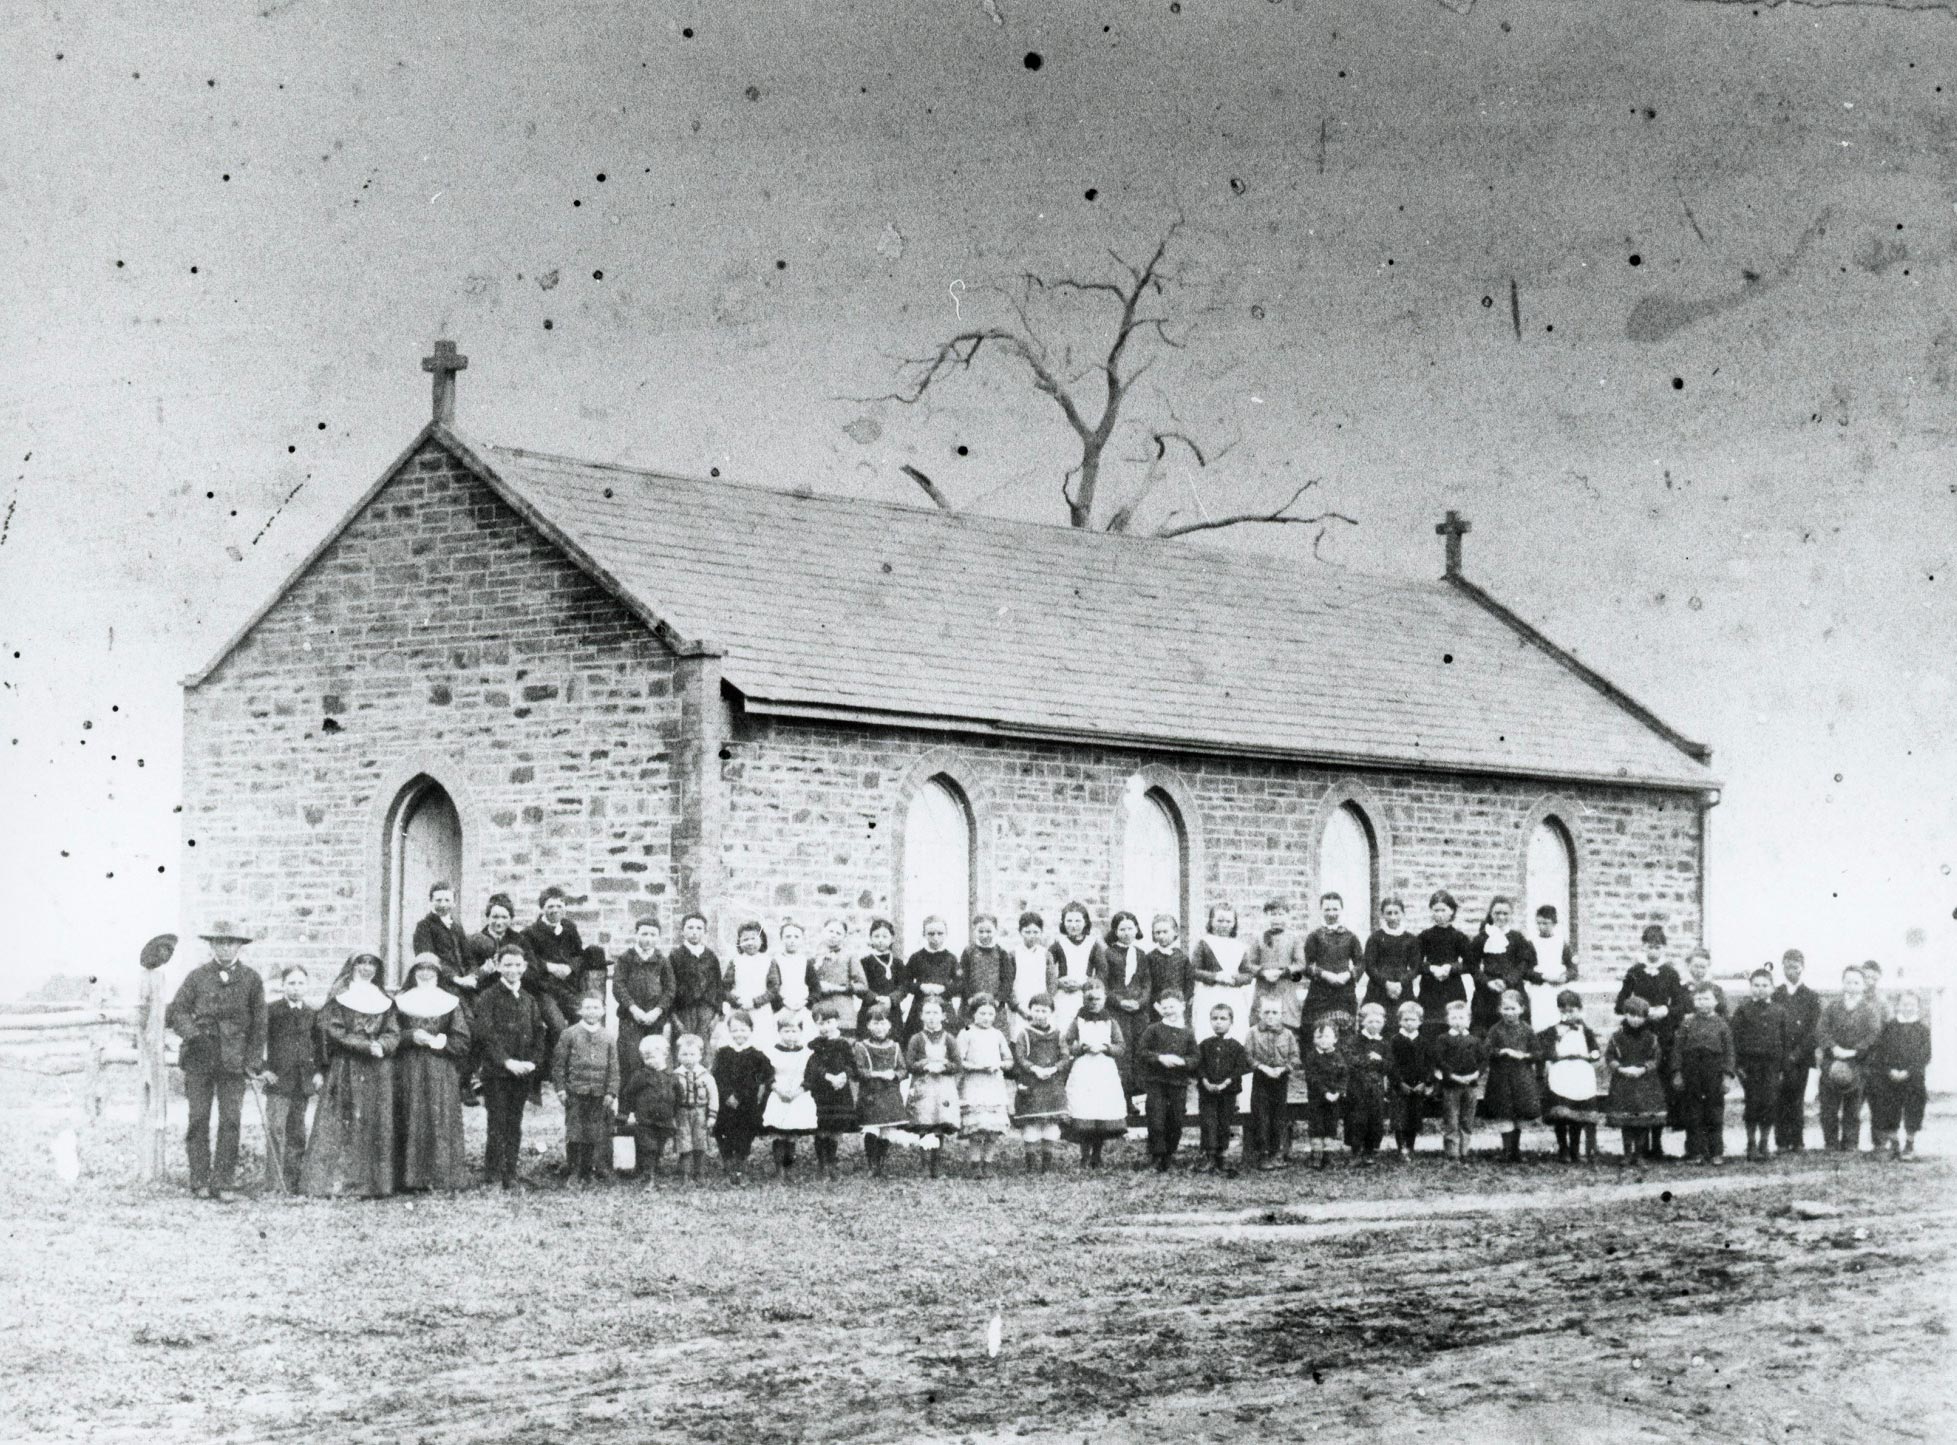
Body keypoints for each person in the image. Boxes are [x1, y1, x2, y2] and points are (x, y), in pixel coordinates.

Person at [165, 919, 267, 1201]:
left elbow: (260, 1024)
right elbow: (177, 1011)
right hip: (199, 1059)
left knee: (231, 1120)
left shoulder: (251, 979)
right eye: (219, 942)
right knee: (198, 1118)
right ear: (211, 945)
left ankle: (223, 1182)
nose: (225, 947)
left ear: (239, 946)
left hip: (234, 1062)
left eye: (230, 942)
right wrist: (193, 1035)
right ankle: (199, 1180)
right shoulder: (197, 977)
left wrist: (253, 1060)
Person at [299, 952, 400, 1199]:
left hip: (377, 1069)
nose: (366, 968)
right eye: (361, 963)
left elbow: (393, 1029)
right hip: (347, 1066)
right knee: (345, 1119)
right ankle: (341, 1182)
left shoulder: (384, 999)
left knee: (373, 1121)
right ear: (352, 966)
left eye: (372, 964)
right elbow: (332, 1030)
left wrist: (384, 1045)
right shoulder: (339, 997)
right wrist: (365, 1046)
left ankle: (374, 1184)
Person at [392, 954, 472, 1191]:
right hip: (408, 1067)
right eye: (420, 969)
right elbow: (390, 1033)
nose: (425, 974)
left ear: (438, 975)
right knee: (409, 1115)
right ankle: (407, 1178)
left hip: (440, 1068)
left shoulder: (450, 1002)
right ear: (413, 973)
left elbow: (462, 1039)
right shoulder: (400, 1001)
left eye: (431, 970)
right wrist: (410, 1036)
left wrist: (441, 1042)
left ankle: (438, 1176)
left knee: (438, 1117)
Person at [475, 946, 545, 1187]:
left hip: (523, 1072)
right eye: (508, 964)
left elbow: (538, 1033)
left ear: (524, 967)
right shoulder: (488, 997)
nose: (513, 970)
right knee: (498, 1121)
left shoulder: (529, 999)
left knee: (515, 1122)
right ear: (497, 966)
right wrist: (507, 1062)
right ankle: (492, 1173)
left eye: (517, 965)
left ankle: (510, 1172)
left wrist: (532, 1063)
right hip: (498, 1073)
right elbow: (486, 1035)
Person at [1616, 925, 1686, 1155]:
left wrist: (1666, 1010)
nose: (1653, 951)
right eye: (1649, 946)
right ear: (1643, 946)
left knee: (1659, 1088)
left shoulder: (1670, 973)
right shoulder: (1635, 972)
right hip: (1639, 1036)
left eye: (1657, 947)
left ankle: (1657, 1142)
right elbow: (1620, 1004)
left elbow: (1681, 1005)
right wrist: (1640, 1011)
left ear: (1663, 948)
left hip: (1663, 1037)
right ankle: (1640, 1142)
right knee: (1640, 1088)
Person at [259, 964, 320, 1193]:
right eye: (291, 983)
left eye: (300, 983)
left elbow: (318, 1047)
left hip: (301, 1082)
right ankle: (274, 1184)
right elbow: (258, 1042)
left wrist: (317, 1073)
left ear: (307, 985)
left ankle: (293, 1182)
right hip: (278, 1081)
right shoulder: (270, 1011)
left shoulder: (312, 1014)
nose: (296, 988)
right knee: (275, 1130)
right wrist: (263, 1069)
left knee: (297, 1132)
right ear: (283, 986)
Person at [551, 993, 619, 1185]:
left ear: (604, 1010)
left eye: (596, 1007)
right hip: (575, 1092)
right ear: (580, 1010)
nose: (592, 1012)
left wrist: (611, 1092)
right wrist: (561, 1089)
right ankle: (573, 1171)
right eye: (587, 1007)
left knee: (593, 1133)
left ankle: (587, 1172)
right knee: (575, 1131)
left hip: (598, 1094)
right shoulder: (569, 1034)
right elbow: (559, 1065)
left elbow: (614, 1068)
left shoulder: (608, 1037)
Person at [1062, 977, 1127, 1170]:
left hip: (1104, 1070)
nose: (1094, 1004)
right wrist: (1081, 1047)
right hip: (1083, 1070)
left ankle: (1097, 1155)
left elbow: (1121, 1047)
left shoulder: (1111, 1022)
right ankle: (1084, 1155)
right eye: (1090, 1000)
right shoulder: (1077, 1021)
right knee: (1085, 1112)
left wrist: (1106, 1048)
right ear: (1084, 1000)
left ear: (1105, 999)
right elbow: (1067, 1043)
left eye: (1098, 999)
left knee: (1101, 1112)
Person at [1815, 964, 1881, 1152]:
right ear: (1843, 983)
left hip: (1857, 1063)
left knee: (1852, 1109)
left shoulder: (1869, 1010)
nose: (1852, 986)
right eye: (1848, 981)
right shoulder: (1832, 1007)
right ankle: (1830, 1142)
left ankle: (1850, 1143)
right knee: (1828, 1107)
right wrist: (1833, 1048)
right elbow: (1821, 1030)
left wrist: (1854, 1052)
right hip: (1832, 1062)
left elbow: (1873, 1035)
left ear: (1863, 985)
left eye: (1856, 982)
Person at [1730, 966, 1791, 1160]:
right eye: (1756, 985)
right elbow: (1735, 1039)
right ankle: (1751, 1144)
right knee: (1752, 1103)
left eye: (1765, 985)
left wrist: (1783, 1067)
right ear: (1750, 987)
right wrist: (1738, 1066)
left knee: (1769, 1104)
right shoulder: (1743, 1010)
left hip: (1772, 1066)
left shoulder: (1779, 1011)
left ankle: (1765, 1143)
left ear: (1773, 988)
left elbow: (1785, 1040)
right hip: (1750, 1066)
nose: (1760, 989)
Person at [1537, 989, 1604, 1164]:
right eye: (1564, 1011)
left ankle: (1575, 1149)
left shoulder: (1585, 1030)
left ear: (1580, 1010)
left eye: (1572, 1010)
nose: (1568, 1015)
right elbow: (1545, 1049)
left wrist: (1593, 1055)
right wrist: (1555, 1048)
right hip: (1562, 1071)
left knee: (1578, 1114)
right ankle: (1563, 1148)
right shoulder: (1554, 1030)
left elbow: (1595, 1050)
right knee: (1562, 1114)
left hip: (1581, 1071)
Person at [1672, 984, 1736, 1164]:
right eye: (1698, 999)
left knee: (1714, 1112)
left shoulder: (1722, 1024)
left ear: (1716, 1001)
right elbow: (1677, 1049)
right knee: (1692, 1112)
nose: (1702, 1002)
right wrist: (1677, 1072)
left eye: (1706, 998)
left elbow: (1729, 1052)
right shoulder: (1687, 1023)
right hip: (1691, 1071)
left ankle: (1716, 1152)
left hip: (1713, 1072)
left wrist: (1727, 1076)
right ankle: (1695, 1153)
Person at [1136, 993, 1197, 1173]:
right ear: (1160, 1008)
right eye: (1165, 1007)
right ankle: (1156, 1157)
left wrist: (1182, 1062)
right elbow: (1141, 1052)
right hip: (1157, 1082)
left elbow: (1195, 1057)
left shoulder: (1188, 1032)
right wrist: (1160, 1058)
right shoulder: (1153, 1029)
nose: (1169, 1010)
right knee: (1156, 1119)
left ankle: (1169, 1156)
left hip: (1178, 1083)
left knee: (1176, 1119)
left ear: (1183, 1006)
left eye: (1173, 1006)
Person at [1010, 993, 1069, 1175]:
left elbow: (1065, 1056)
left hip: (1052, 1084)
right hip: (1031, 1083)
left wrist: (1053, 1069)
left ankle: (1047, 1166)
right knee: (1031, 1125)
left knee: (1051, 1125)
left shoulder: (1058, 1034)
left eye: (1044, 1011)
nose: (1040, 1014)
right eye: (1036, 1010)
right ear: (1030, 1011)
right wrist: (1034, 1068)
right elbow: (1019, 1057)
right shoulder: (1024, 1034)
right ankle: (1030, 1165)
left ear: (1051, 1012)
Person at [1604, 995, 1668, 1164]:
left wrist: (1643, 1068)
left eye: (1640, 1016)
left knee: (1642, 1120)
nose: (1635, 1019)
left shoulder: (1651, 1037)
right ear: (1625, 1014)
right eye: (1631, 1015)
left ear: (1645, 1017)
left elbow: (1656, 1058)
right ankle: (1626, 1153)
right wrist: (1621, 1068)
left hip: (1644, 1082)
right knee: (1627, 1121)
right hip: (1623, 1082)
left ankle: (1639, 1154)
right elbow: (1609, 1056)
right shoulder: (1616, 1037)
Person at [711, 1011, 773, 1184]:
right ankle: (728, 1164)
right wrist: (727, 1095)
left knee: (744, 1134)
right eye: (735, 1030)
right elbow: (717, 1077)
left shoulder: (756, 1055)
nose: (739, 1034)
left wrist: (743, 1095)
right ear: (729, 1032)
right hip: (726, 1103)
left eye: (743, 1029)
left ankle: (741, 1164)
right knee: (724, 1131)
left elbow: (765, 1076)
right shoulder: (723, 1053)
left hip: (747, 1104)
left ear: (751, 1030)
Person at [613, 918, 674, 1095]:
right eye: (644, 934)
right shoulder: (626, 959)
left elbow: (670, 989)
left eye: (653, 934)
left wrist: (657, 1011)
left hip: (655, 1020)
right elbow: (619, 986)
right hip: (630, 1019)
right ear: (636, 934)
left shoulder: (662, 960)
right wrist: (634, 1009)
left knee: (654, 1060)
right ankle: (625, 1109)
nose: (648, 938)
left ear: (658, 937)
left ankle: (648, 1106)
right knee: (630, 1061)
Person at [1480, 990, 1541, 1163]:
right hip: (1501, 1078)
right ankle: (1507, 1151)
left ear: (1522, 1009)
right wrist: (1501, 1052)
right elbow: (1486, 1051)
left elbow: (1537, 1053)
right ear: (1500, 1009)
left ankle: (1516, 1150)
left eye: (1513, 1009)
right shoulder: (1495, 1029)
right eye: (1505, 1009)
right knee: (1505, 1113)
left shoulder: (1527, 1030)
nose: (1509, 1013)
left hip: (1522, 1077)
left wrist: (1524, 1056)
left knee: (1519, 1113)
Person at [1868, 992, 1931, 1159]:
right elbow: (1881, 1052)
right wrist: (1890, 1070)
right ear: (1897, 1005)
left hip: (1913, 1078)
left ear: (1918, 1006)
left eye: (1911, 1004)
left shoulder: (1923, 1030)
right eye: (1904, 1003)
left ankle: (1909, 1145)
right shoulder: (1889, 1027)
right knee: (1889, 1109)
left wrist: (1908, 1071)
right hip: (1890, 1077)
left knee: (1914, 1109)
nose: (1908, 1007)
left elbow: (1925, 1055)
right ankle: (1894, 1144)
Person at [958, 994, 1014, 1178]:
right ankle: (975, 1164)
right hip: (974, 1084)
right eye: (982, 1013)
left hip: (994, 1085)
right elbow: (959, 1060)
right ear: (973, 1013)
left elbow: (1009, 1060)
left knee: (992, 1129)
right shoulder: (966, 1031)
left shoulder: (997, 1034)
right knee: (977, 1128)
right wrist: (977, 1068)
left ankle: (988, 1162)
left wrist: (999, 1065)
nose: (986, 1018)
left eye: (990, 1014)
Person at [1468, 897, 1543, 1033]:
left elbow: (1524, 963)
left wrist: (1509, 981)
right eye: (1497, 913)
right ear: (1491, 914)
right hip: (1487, 993)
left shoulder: (1517, 938)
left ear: (1511, 915)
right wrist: (1487, 982)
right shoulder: (1482, 938)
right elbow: (1471, 965)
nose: (1501, 917)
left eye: (1505, 913)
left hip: (1513, 989)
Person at [905, 996, 962, 1177]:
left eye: (935, 1013)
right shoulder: (916, 1039)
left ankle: (937, 1165)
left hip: (943, 1087)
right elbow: (909, 1064)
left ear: (943, 1016)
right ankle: (924, 1164)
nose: (931, 1017)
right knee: (925, 1124)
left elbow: (958, 1065)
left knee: (939, 1124)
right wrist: (925, 1065)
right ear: (921, 1016)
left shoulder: (949, 1039)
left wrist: (944, 1066)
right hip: (924, 1086)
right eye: (927, 1013)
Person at [1772, 948, 1822, 1153]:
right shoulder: (1776, 994)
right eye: (1788, 966)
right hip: (1780, 1056)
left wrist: (1798, 1053)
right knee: (1779, 1097)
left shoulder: (1811, 996)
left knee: (1797, 1098)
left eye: (1796, 966)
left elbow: (1814, 1030)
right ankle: (1781, 1141)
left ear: (1803, 968)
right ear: (1782, 967)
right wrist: (1783, 1055)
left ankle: (1797, 1140)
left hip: (1801, 1057)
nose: (1792, 970)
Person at [805, 1002, 861, 1181]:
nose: (826, 1027)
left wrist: (844, 1075)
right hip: (822, 1092)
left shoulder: (844, 1044)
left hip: (840, 1093)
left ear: (837, 1021)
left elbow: (852, 1066)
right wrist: (828, 1077)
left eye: (829, 1022)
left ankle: (831, 1161)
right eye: (821, 1023)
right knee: (822, 1128)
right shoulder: (816, 1045)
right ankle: (822, 1163)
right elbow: (814, 1067)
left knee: (836, 1128)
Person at [1194, 1001, 1251, 1176]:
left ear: (1231, 1022)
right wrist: (1205, 1081)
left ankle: (1222, 1156)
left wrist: (1226, 1082)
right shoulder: (1204, 1044)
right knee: (1208, 1121)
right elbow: (1198, 1065)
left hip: (1227, 1092)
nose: (1218, 1022)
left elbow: (1240, 1067)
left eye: (1223, 1018)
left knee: (1224, 1123)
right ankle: (1209, 1155)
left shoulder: (1237, 1046)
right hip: (1208, 1092)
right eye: (1214, 1018)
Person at [854, 1004, 911, 1178]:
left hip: (890, 1093)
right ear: (868, 1026)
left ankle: (881, 1163)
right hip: (871, 1093)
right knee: (872, 1129)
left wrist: (894, 1075)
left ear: (890, 1026)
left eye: (883, 1024)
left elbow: (903, 1069)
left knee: (886, 1130)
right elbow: (859, 1070)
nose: (879, 1028)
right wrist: (877, 1073)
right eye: (875, 1024)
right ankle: (872, 1163)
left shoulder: (894, 1046)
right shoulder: (861, 1046)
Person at [1246, 997, 1302, 1170]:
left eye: (1275, 1012)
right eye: (1266, 1012)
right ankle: (1262, 1154)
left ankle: (1277, 1153)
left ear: (1282, 1015)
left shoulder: (1288, 1034)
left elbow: (1295, 1057)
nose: (1270, 1016)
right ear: (1259, 1013)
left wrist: (1284, 1068)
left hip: (1280, 1079)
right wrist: (1261, 1067)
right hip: (1261, 1078)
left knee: (1278, 1117)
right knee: (1262, 1116)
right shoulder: (1253, 1033)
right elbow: (1248, 1056)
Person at [764, 1007, 818, 1178]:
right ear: (779, 1032)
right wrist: (778, 1089)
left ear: (801, 1032)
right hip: (779, 1094)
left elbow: (810, 1077)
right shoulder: (771, 1052)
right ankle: (779, 1169)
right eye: (786, 1031)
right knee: (780, 1135)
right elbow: (766, 1076)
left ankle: (790, 1168)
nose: (790, 1035)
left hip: (798, 1096)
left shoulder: (807, 1054)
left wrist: (797, 1092)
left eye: (794, 1031)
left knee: (792, 1135)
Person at [1431, 999, 1486, 1164]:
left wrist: (1475, 1074)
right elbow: (1439, 1060)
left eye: (1462, 1018)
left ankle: (1464, 1151)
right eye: (1454, 1018)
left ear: (1468, 1020)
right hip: (1451, 1086)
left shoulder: (1474, 1041)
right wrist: (1452, 1075)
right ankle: (1452, 1152)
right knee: (1452, 1119)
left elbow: (1483, 1060)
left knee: (1467, 1119)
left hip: (1470, 1085)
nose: (1458, 1022)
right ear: (1448, 1020)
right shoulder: (1443, 1039)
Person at [1303, 892, 1364, 1036]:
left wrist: (1348, 974)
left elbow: (1361, 962)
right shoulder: (1314, 936)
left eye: (1335, 909)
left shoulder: (1350, 936)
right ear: (1321, 911)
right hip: (1320, 992)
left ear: (1341, 910)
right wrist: (1323, 974)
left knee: (1345, 1032)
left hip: (1344, 992)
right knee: (1318, 1031)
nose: (1331, 913)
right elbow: (1305, 965)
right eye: (1327, 909)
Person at [621, 1034, 679, 1182]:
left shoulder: (672, 1077)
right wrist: (625, 1113)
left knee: (659, 1146)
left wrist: (676, 1116)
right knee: (647, 1146)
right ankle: (647, 1173)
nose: (649, 1061)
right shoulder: (640, 1076)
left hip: (665, 1120)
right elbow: (628, 1094)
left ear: (665, 1054)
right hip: (645, 1119)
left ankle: (654, 1167)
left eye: (653, 1057)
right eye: (646, 1058)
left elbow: (679, 1097)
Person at [1046, 901, 1106, 1036]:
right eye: (1069, 921)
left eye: (1078, 921)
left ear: (1085, 922)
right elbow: (1045, 968)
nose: (1073, 925)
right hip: (1063, 996)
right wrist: (1058, 982)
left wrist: (1085, 985)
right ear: (1063, 922)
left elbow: (1103, 972)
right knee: (1063, 1030)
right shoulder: (1058, 944)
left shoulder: (1093, 944)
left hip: (1085, 995)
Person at [1343, 1002, 1393, 1165]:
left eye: (1378, 1022)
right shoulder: (1355, 1041)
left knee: (1374, 1118)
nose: (1374, 1025)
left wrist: (1379, 1061)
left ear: (1383, 1023)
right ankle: (1356, 1151)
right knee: (1357, 1118)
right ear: (1362, 1022)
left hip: (1376, 1088)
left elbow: (1388, 1066)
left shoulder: (1384, 1043)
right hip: (1357, 1087)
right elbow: (1351, 1061)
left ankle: (1370, 1151)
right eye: (1370, 1021)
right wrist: (1369, 1060)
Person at [902, 916, 962, 1042]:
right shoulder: (916, 957)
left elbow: (960, 984)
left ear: (946, 934)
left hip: (944, 1006)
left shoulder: (951, 958)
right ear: (924, 934)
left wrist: (944, 989)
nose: (935, 938)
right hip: (920, 1006)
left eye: (940, 933)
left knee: (947, 1040)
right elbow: (904, 981)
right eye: (931, 933)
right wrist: (920, 987)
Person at [668, 913, 724, 1050]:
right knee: (683, 1049)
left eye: (699, 928)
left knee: (704, 1051)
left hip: (706, 1011)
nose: (694, 932)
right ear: (682, 931)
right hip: (683, 1011)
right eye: (690, 928)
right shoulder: (675, 956)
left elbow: (718, 986)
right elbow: (669, 987)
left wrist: (717, 1013)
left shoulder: (711, 957)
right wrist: (674, 1017)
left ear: (705, 932)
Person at [671, 1033, 718, 1184]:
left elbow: (714, 1096)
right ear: (678, 1055)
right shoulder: (675, 1076)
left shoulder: (706, 1076)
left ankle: (700, 1174)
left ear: (700, 1055)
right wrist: (672, 1116)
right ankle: (685, 1174)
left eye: (693, 1054)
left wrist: (712, 1116)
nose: (688, 1058)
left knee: (700, 1143)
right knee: (684, 1143)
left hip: (700, 1112)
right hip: (682, 1113)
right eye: (684, 1054)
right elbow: (670, 1098)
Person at [808, 919, 869, 1036]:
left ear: (844, 937)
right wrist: (817, 986)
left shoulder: (849, 956)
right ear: (823, 932)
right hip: (819, 1010)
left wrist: (836, 988)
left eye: (838, 933)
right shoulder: (813, 957)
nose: (833, 935)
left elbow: (863, 986)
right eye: (831, 931)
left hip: (843, 1013)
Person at [1302, 1019, 1348, 1170]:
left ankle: (1328, 1156)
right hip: (1317, 1099)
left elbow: (1344, 1075)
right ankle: (1316, 1155)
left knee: (1330, 1127)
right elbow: (1312, 1078)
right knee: (1317, 1127)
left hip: (1334, 1099)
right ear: (1314, 1039)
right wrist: (1325, 1092)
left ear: (1335, 1038)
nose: (1323, 1040)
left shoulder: (1338, 1056)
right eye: (1319, 1037)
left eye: (1327, 1036)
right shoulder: (1312, 1056)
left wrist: (1339, 1092)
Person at [1363, 894, 1420, 1015]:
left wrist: (1400, 983)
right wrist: (1386, 983)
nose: (1393, 917)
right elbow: (1369, 966)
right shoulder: (1375, 938)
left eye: (1396, 913)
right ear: (1382, 915)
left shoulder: (1410, 939)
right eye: (1389, 913)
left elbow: (1415, 967)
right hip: (1378, 988)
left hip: (1403, 988)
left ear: (1403, 914)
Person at [724, 921, 776, 1050]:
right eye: (745, 939)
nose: (750, 943)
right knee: (736, 1044)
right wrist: (736, 1001)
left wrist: (755, 1002)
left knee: (761, 1044)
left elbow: (774, 988)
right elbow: (724, 987)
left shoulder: (768, 961)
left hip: (761, 1010)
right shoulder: (736, 961)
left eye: (754, 938)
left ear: (762, 940)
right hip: (739, 1009)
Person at [1388, 1001, 1430, 1158]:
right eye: (1406, 1019)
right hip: (1399, 1086)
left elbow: (1429, 1064)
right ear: (1399, 1021)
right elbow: (1391, 1065)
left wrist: (1424, 1082)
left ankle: (1411, 1147)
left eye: (1413, 1020)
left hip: (1417, 1086)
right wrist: (1399, 1083)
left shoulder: (1424, 1041)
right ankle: (1401, 1147)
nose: (1409, 1023)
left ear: (1420, 1021)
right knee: (1400, 1117)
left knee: (1414, 1116)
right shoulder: (1394, 1041)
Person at [410, 882, 471, 990]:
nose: (443, 905)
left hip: (463, 983)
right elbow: (428, 960)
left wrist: (472, 976)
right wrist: (455, 978)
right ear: (431, 902)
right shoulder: (424, 926)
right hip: (439, 983)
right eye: (438, 900)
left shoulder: (457, 927)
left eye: (447, 900)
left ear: (454, 903)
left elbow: (468, 957)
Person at [960, 915, 1016, 1030]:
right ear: (974, 930)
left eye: (988, 931)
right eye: (981, 931)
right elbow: (963, 978)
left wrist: (998, 1000)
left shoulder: (1001, 953)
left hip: (995, 1007)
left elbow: (1007, 981)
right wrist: (969, 998)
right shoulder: (968, 952)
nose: (985, 935)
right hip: (971, 1006)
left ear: (995, 930)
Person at [860, 918, 905, 1040]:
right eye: (876, 936)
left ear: (892, 939)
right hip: (870, 1008)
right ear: (870, 938)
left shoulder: (898, 963)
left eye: (885, 936)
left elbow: (904, 986)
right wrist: (875, 998)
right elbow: (861, 986)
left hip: (892, 1010)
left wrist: (891, 999)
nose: (880, 940)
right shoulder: (864, 962)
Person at [1143, 913, 1195, 1018]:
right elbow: (1147, 983)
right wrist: (1156, 1005)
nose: (1161, 936)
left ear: (1175, 932)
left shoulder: (1182, 957)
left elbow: (1189, 983)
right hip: (1157, 1007)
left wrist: (1183, 1002)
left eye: (1165, 932)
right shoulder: (1150, 957)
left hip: (1178, 1005)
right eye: (1158, 933)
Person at [1009, 912, 1050, 1038]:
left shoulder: (1046, 954)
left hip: (1041, 1006)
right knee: (1019, 1037)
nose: (1031, 936)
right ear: (1020, 932)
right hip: (1020, 1007)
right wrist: (1018, 1007)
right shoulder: (1013, 954)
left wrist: (1044, 1007)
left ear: (1041, 932)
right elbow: (1008, 983)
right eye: (1027, 932)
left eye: (1036, 932)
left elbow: (1051, 982)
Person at [769, 918, 814, 1030]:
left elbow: (815, 987)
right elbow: (771, 987)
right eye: (788, 937)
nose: (792, 940)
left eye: (796, 937)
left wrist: (806, 1002)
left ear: (802, 939)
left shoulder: (806, 962)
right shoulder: (775, 961)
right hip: (782, 1009)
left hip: (803, 1009)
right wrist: (783, 1003)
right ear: (781, 939)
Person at [1682, 948, 1728, 1018]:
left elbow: (1723, 1014)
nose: (1699, 970)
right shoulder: (1681, 989)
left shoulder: (1716, 989)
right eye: (1696, 966)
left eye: (1703, 967)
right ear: (1688, 966)